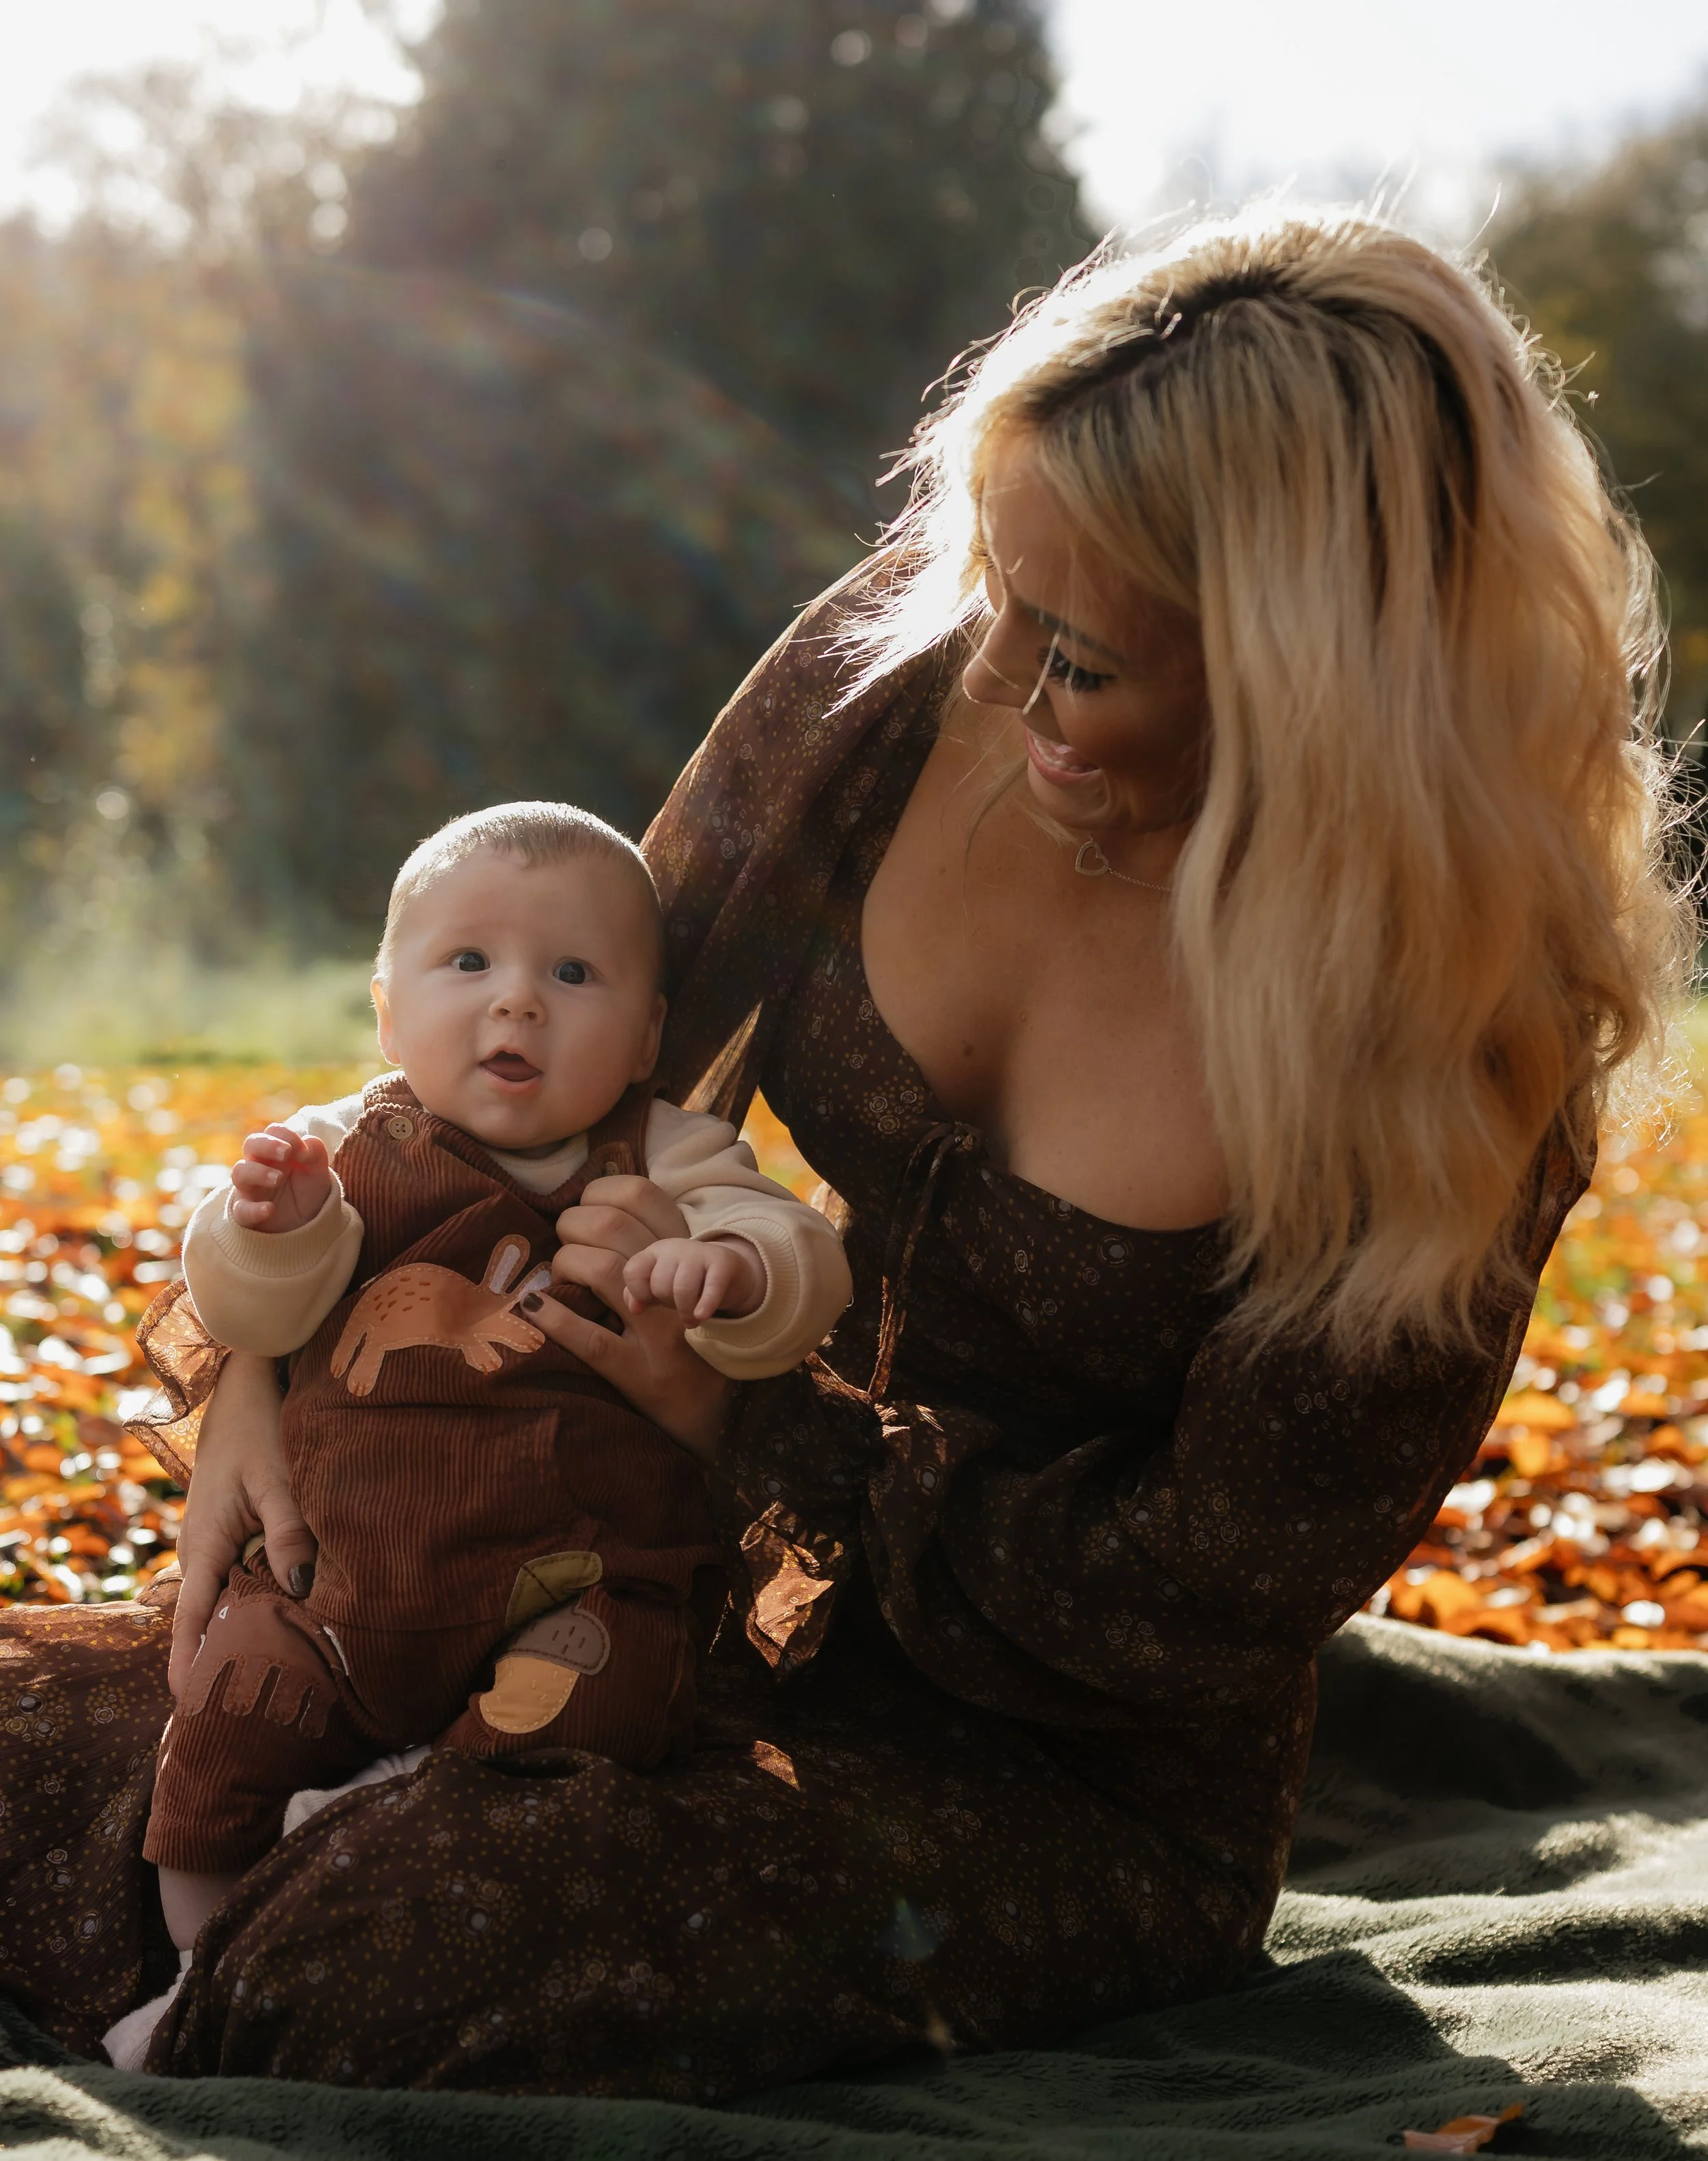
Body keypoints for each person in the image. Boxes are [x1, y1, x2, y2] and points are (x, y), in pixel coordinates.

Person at [0, 205, 1685, 2099]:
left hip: (1052, 1768)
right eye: (998, 589)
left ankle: (257, 1951)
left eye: (1080, 656)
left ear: (1313, 675)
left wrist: (758, 1429)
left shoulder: (1454, 1047)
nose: (999, 673)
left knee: (402, 1943)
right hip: (601, 1566)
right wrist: (263, 1366)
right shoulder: (896, 690)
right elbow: (555, 1048)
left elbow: (1195, 1594)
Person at [124, 801, 851, 2000]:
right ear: (387, 1008)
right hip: (332, 1591)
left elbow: (800, 1254)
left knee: (607, 1708)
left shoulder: (668, 1153)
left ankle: (393, 1818)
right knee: (218, 1732)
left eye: (572, 973)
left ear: (647, 1035)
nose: (517, 1001)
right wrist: (276, 1229)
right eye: (469, 961)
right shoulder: (341, 1144)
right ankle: (206, 1972)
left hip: (573, 1591)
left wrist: (737, 1266)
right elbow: (245, 1308)